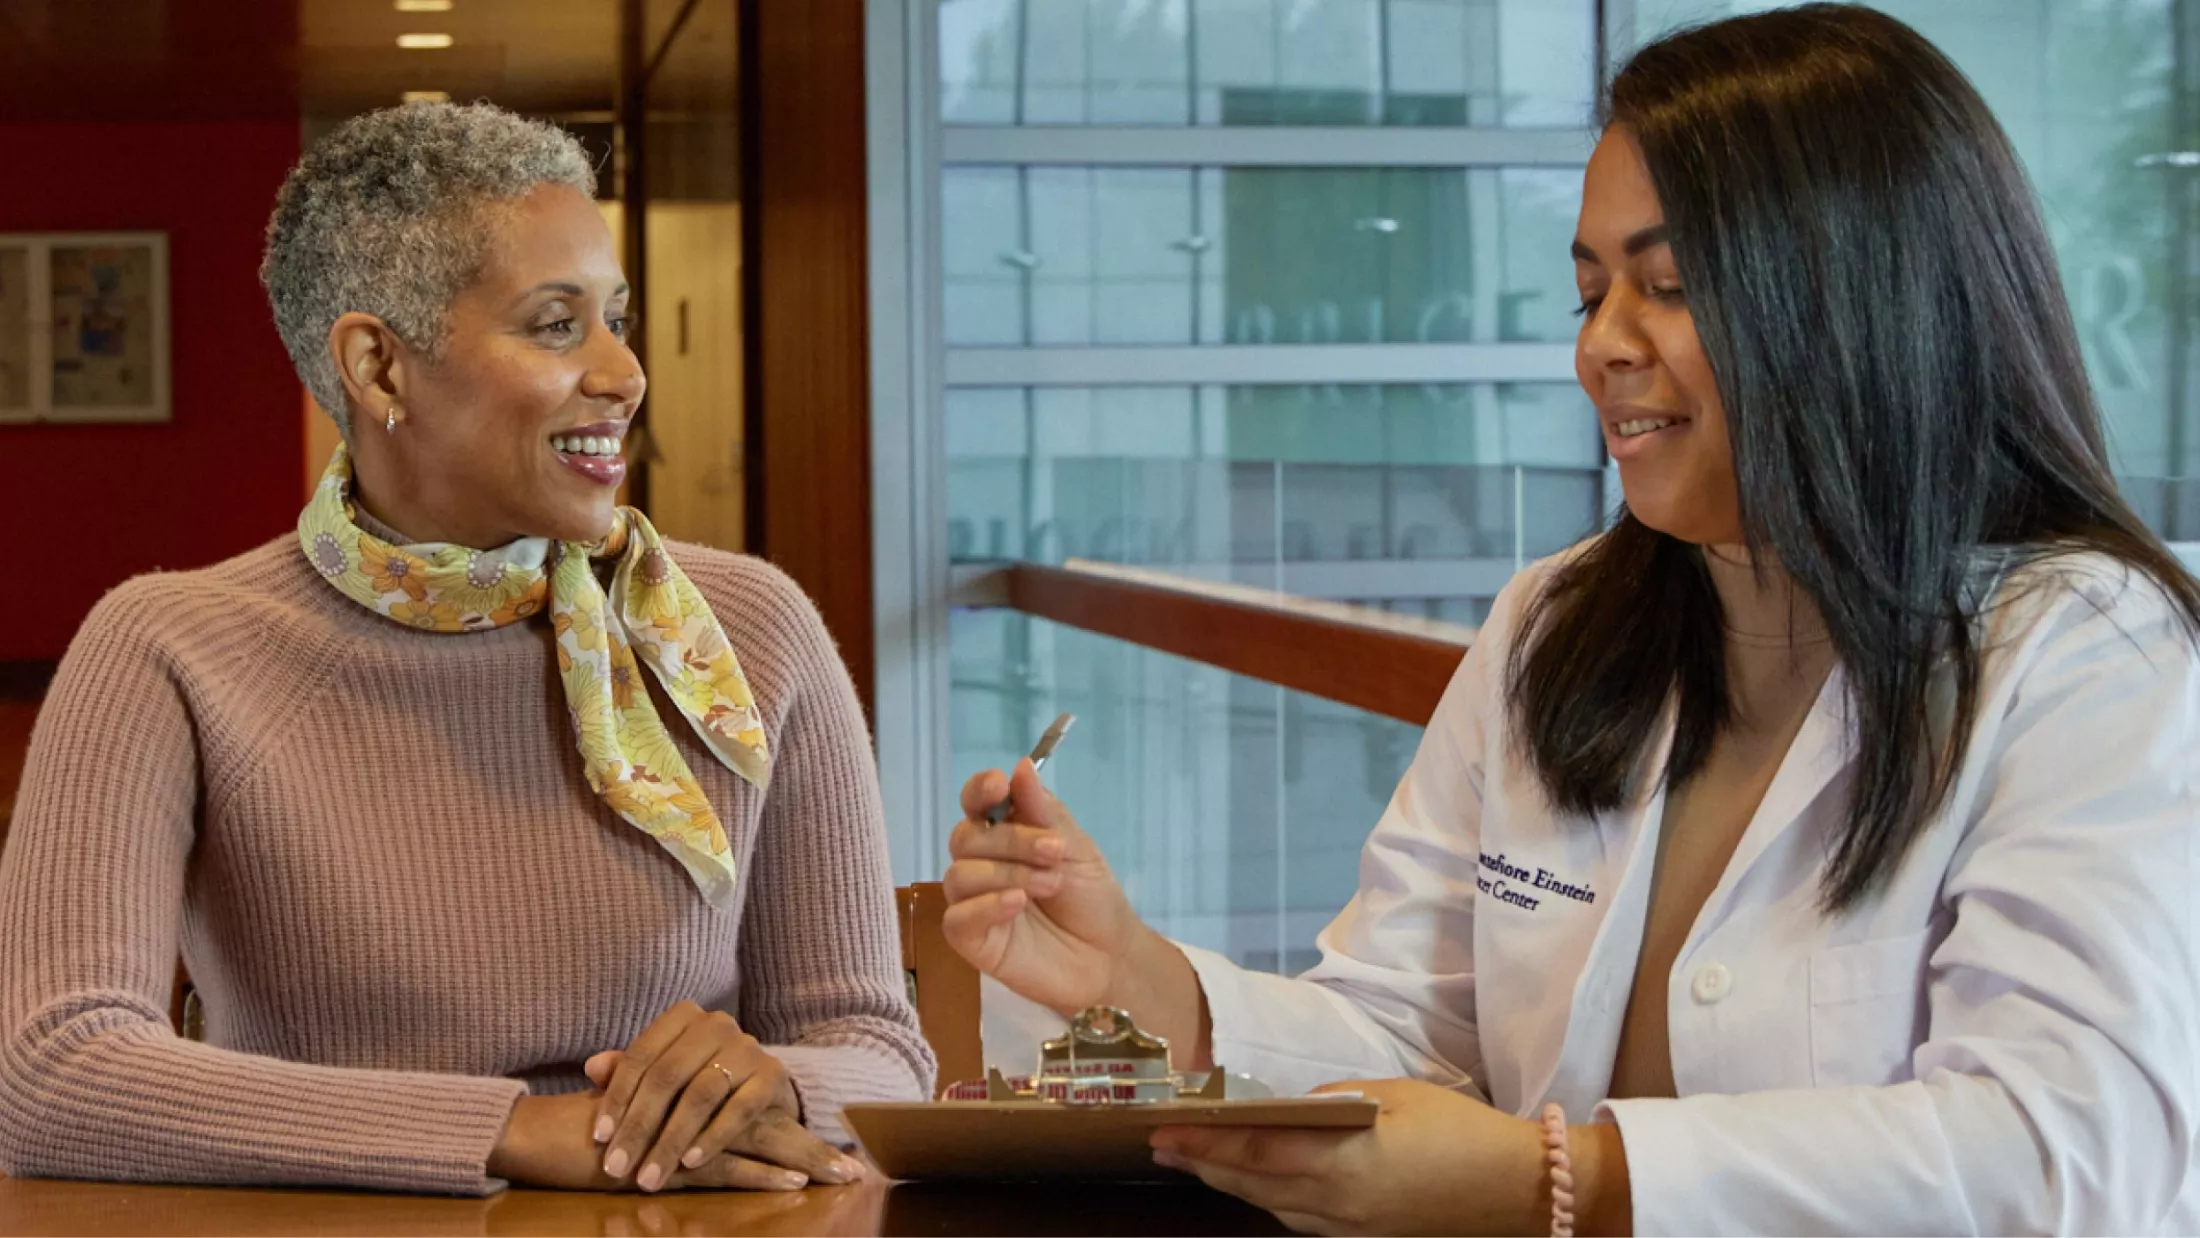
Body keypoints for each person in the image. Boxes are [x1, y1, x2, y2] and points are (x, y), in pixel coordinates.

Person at [941, 6, 2200, 1234]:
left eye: (1667, 285)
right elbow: (1408, 1038)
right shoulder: (1556, 625)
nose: (1601, 345)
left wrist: (1562, 1181)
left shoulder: (2092, 650)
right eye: (1589, 290)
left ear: (1862, 303)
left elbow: (2068, 1147)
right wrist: (1138, 985)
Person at [0, 101, 932, 1196]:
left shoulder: (756, 629)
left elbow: (876, 1050)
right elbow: (53, 1072)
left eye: (615, 318)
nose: (624, 372)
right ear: (380, 369)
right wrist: (516, 1130)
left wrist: (772, 1085)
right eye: (555, 324)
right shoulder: (166, 647)